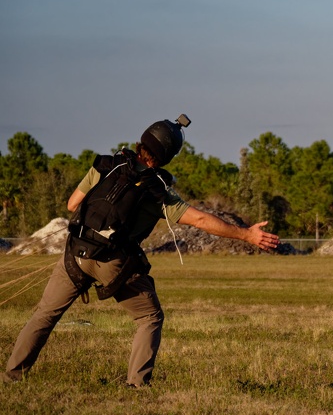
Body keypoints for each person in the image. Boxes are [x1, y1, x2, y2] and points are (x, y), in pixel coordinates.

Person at [4, 115, 279, 387]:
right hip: (112, 263)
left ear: (143, 141)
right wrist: (247, 234)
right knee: (150, 317)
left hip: (75, 253)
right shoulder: (157, 190)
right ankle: (137, 384)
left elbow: (72, 204)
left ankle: (12, 375)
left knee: (45, 314)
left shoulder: (108, 164)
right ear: (167, 157)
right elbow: (201, 220)